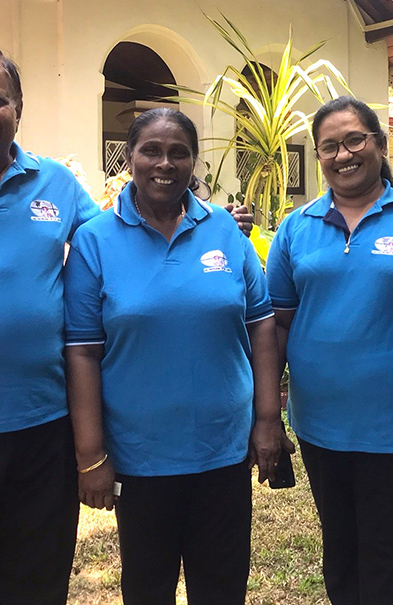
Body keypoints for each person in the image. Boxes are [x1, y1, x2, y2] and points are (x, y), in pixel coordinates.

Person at [0, 44, 254, 604]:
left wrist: (203, 221)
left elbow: (123, 238)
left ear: (18, 108)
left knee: (37, 590)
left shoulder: (56, 185)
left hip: (45, 437)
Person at [63, 107, 287, 604]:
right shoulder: (94, 242)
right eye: (151, 151)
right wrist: (90, 454)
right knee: (148, 589)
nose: (165, 163)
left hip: (223, 451)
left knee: (223, 587)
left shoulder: (225, 231)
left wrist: (268, 421)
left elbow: (263, 327)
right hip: (140, 457)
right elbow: (81, 352)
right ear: (130, 158)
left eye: (179, 152)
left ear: (194, 162)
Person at [265, 96, 393, 604]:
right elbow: (278, 327)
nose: (344, 154)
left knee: (392, 560)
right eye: (329, 146)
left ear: (378, 144)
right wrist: (268, 415)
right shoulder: (296, 228)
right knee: (341, 554)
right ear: (317, 156)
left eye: (355, 139)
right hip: (320, 427)